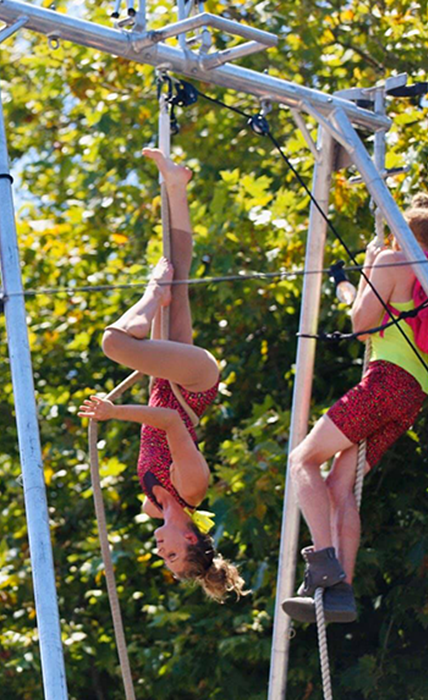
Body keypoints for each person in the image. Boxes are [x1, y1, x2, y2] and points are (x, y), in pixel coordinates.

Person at [80, 148, 246, 602]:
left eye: (164, 560)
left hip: (163, 383)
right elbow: (170, 422)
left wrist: (159, 510)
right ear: (191, 540)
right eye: (172, 556)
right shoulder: (192, 487)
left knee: (180, 275)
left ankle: (176, 185)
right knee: (115, 344)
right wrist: (114, 413)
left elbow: (154, 481)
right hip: (193, 382)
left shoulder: (155, 504)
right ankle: (151, 294)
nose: (161, 553)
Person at [282, 194, 428, 624]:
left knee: (302, 459)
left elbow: (361, 326)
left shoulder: (392, 261)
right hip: (411, 397)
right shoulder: (421, 277)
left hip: (384, 383)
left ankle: (322, 561)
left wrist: (369, 269)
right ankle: (339, 590)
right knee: (338, 486)